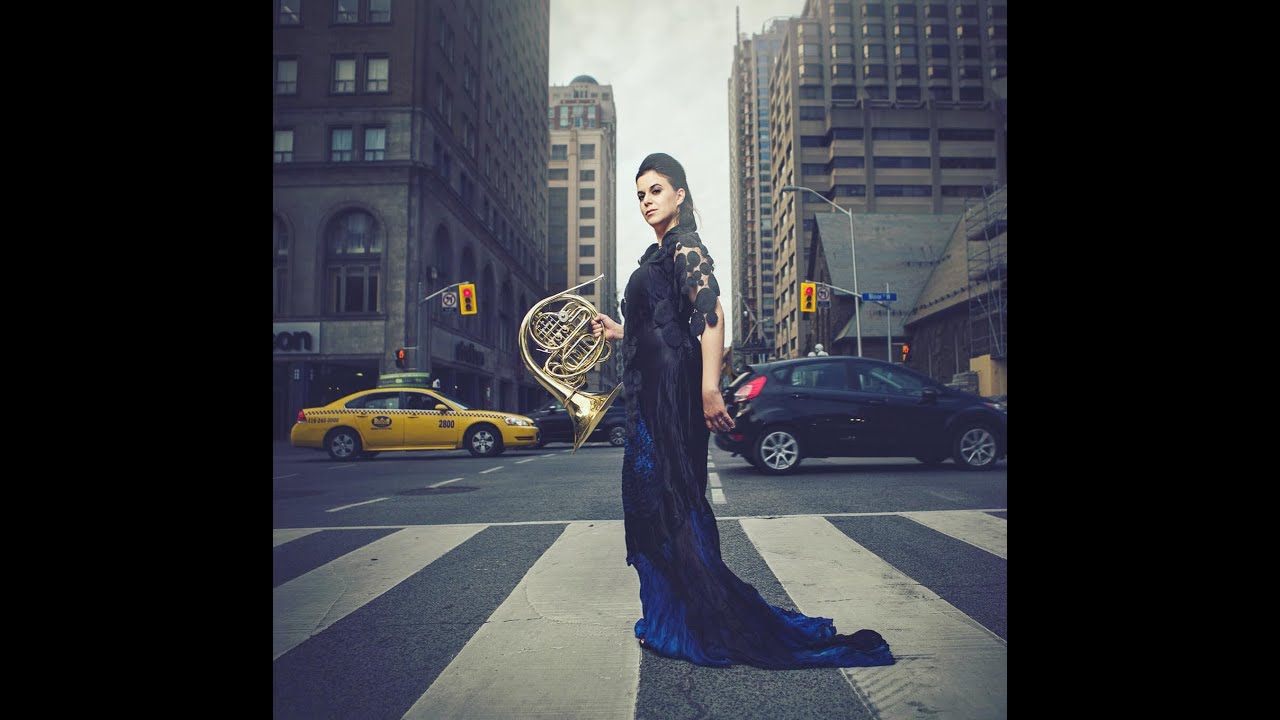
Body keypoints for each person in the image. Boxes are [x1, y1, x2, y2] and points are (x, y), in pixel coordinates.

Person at [591, 153, 894, 669]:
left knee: (672, 504)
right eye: (640, 193)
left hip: (671, 397)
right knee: (654, 505)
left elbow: (712, 314)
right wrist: (621, 330)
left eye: (656, 190)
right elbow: (664, 325)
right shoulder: (660, 254)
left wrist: (710, 389)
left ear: (680, 195)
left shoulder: (686, 245)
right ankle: (678, 615)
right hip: (649, 393)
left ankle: (700, 621)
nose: (646, 201)